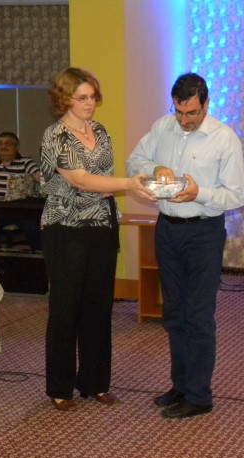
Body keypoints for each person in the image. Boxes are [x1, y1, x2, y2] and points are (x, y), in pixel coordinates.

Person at [127, 73, 244, 419]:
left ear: (206, 104)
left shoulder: (224, 138)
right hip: (167, 229)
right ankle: (180, 386)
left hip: (203, 233)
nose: (184, 120)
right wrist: (156, 167)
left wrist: (199, 193)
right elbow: (134, 162)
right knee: (174, 313)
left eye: (192, 113)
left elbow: (236, 196)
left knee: (198, 315)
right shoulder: (163, 127)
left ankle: (199, 395)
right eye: (179, 112)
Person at [40, 67, 155, 411]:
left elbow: (102, 178)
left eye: (92, 97)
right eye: (82, 98)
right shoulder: (55, 135)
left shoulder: (100, 130)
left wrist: (122, 187)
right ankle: (60, 388)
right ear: (65, 99)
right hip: (66, 229)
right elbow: (81, 180)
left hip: (102, 225)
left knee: (98, 307)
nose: (89, 103)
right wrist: (129, 184)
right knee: (66, 309)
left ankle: (95, 382)